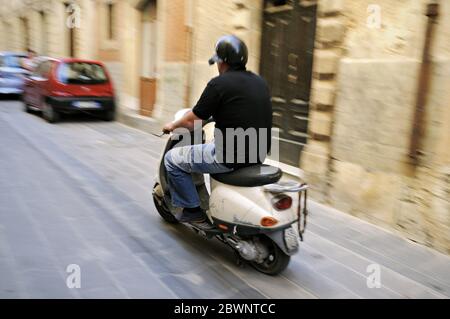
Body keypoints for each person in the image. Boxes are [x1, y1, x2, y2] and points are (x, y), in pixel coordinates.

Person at [162, 35, 273, 223]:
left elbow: (192, 121)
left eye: (217, 62)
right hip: (258, 153)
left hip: (228, 158)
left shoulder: (219, 84)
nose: (217, 66)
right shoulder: (259, 82)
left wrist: (172, 125)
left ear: (222, 62)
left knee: (172, 160)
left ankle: (192, 209)